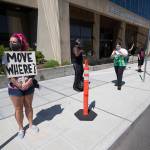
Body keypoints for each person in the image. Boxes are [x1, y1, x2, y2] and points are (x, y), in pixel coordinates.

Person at [8, 33, 39, 139]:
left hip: (29, 86)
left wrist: (28, 82)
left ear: (20, 43)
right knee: (18, 109)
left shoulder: (28, 55)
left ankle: (31, 124)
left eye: (14, 42)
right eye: (10, 42)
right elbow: (10, 74)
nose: (11, 44)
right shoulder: (7, 57)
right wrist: (19, 85)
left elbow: (33, 72)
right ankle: (21, 129)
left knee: (29, 106)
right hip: (15, 88)